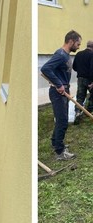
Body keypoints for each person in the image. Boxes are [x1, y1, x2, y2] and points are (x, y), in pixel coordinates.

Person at [41, 30, 82, 160]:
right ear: (71, 41)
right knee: (63, 121)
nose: (78, 47)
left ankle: (55, 143)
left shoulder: (65, 55)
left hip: (64, 91)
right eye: (78, 44)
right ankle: (60, 152)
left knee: (61, 120)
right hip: (58, 92)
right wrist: (59, 84)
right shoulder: (60, 55)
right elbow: (45, 69)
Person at [72, 40, 93, 124]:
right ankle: (89, 110)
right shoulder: (92, 55)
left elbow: (74, 67)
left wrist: (80, 72)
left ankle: (77, 112)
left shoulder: (78, 54)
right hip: (89, 79)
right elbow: (92, 69)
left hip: (80, 79)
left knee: (80, 97)